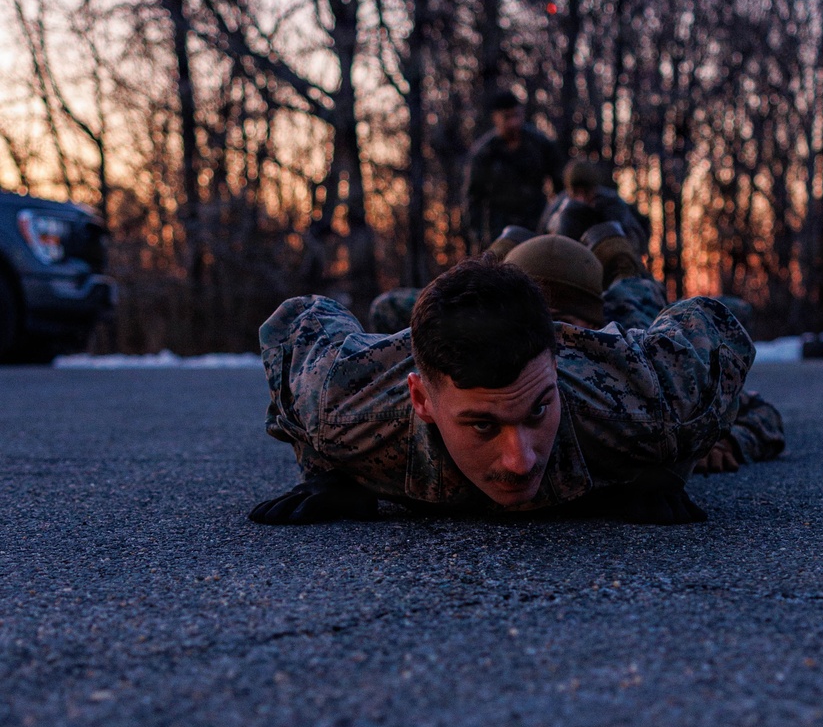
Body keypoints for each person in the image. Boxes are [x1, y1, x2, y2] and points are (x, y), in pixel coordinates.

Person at [248, 253, 755, 526]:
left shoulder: (648, 399)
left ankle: (612, 257)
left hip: (586, 350)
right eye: (482, 425)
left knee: (631, 299)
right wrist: (325, 470)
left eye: (538, 411)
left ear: (556, 368)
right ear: (422, 401)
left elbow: (712, 328)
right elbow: (299, 322)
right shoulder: (340, 404)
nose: (521, 461)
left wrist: (667, 463)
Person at [502, 232, 785, 475]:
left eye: (561, 323)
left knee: (636, 294)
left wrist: (727, 441)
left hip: (635, 312)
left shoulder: (632, 359)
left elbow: (762, 413)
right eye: (528, 325)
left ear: (592, 325)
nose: (545, 338)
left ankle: (618, 253)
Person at [463, 91, 563, 248]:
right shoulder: (485, 152)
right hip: (500, 229)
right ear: (496, 118)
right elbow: (473, 198)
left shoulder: (540, 144)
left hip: (537, 223)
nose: (513, 123)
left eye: (517, 115)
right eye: (507, 117)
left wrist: (557, 221)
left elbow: (561, 184)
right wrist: (478, 238)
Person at [539, 159, 650, 256]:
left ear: (594, 189)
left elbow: (635, 237)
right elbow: (541, 237)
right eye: (576, 192)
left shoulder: (612, 205)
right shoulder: (557, 207)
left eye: (586, 192)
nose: (581, 199)